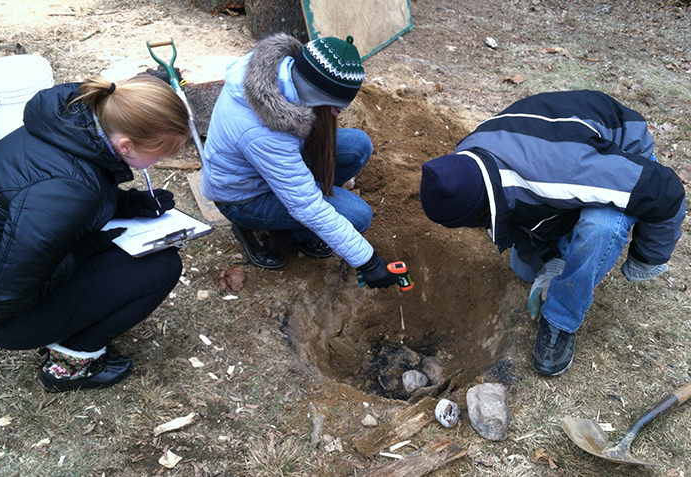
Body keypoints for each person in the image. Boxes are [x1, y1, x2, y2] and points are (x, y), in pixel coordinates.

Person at [419, 90, 685, 376]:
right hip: (565, 148)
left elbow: (665, 190)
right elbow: (508, 211)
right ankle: (562, 245)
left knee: (602, 227)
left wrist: (645, 258)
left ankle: (560, 320)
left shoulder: (563, 173)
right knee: (524, 268)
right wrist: (547, 261)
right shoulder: (468, 159)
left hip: (621, 153)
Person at [0, 74, 191, 392]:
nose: (160, 162)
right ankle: (70, 365)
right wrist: (85, 250)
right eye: (160, 154)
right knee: (162, 267)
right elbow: (1, 298)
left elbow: (60, 196)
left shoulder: (71, 127)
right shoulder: (71, 190)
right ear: (126, 145)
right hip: (1, 317)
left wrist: (129, 204)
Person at [200, 32, 396, 289]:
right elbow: (308, 206)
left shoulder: (282, 72)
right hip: (244, 198)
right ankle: (284, 229)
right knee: (357, 216)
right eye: (336, 106)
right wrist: (368, 262)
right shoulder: (263, 130)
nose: (338, 114)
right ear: (315, 95)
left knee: (357, 146)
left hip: (267, 168)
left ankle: (296, 223)